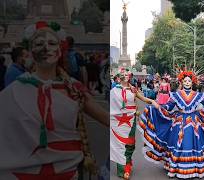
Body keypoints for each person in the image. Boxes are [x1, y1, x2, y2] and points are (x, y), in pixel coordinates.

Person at [0, 21, 108, 179]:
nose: (46, 48)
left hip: (68, 172)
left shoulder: (74, 88)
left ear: (60, 50)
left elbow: (107, 118)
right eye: (39, 43)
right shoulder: (13, 91)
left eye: (52, 43)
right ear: (30, 51)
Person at [139, 68, 204, 178]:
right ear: (181, 82)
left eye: (189, 81)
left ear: (193, 82)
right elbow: (169, 106)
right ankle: (176, 167)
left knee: (193, 142)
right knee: (178, 142)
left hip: (194, 121)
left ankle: (194, 168)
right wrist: (158, 107)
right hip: (179, 120)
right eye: (185, 81)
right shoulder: (176, 95)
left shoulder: (198, 95)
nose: (187, 83)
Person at [110, 67, 158, 179]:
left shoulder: (133, 90)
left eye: (128, 75)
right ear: (119, 77)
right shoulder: (113, 91)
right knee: (120, 145)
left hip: (131, 121)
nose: (126, 76)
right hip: (117, 121)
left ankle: (127, 163)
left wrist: (153, 101)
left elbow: (144, 99)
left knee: (130, 144)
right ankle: (124, 170)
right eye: (124, 74)